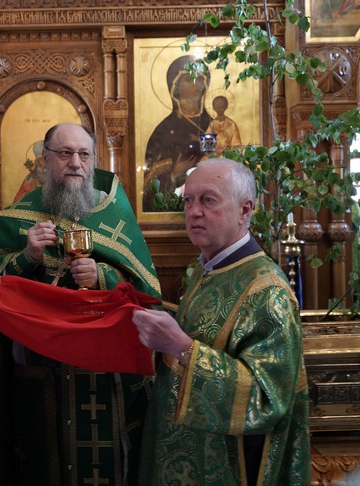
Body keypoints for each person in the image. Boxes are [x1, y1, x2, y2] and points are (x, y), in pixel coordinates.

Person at [0, 122, 161, 485]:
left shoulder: (115, 216)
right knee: (42, 466)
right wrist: (26, 256)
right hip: (41, 371)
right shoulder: (12, 221)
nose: (75, 162)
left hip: (103, 371)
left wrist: (102, 276)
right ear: (45, 159)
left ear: (93, 161)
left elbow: (146, 289)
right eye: (65, 153)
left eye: (84, 154)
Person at [131, 158, 311, 485]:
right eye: (188, 200)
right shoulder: (211, 268)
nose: (193, 211)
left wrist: (181, 347)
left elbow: (266, 400)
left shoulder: (267, 290)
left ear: (245, 210)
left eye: (208, 200)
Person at [143, 55, 212, 212]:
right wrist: (174, 175)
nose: (195, 84)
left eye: (199, 79)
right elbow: (149, 185)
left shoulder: (216, 126)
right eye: (188, 79)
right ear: (175, 87)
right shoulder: (163, 131)